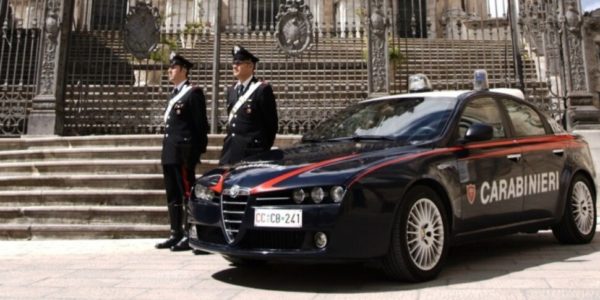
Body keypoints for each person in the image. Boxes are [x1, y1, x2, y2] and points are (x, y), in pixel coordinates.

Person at [156, 53, 209, 252]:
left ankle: (189, 233)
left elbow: (200, 125)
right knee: (172, 194)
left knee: (186, 193)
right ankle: (175, 232)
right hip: (170, 151)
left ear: (184, 70)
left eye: (173, 67)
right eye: (170, 67)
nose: (169, 71)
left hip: (184, 154)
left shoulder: (193, 93)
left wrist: (196, 153)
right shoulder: (173, 94)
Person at [219, 45, 278, 165]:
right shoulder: (232, 90)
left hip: (252, 152)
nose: (235, 66)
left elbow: (271, 124)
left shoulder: (261, 90)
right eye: (234, 63)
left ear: (250, 66)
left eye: (239, 63)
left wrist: (262, 148)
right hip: (231, 150)